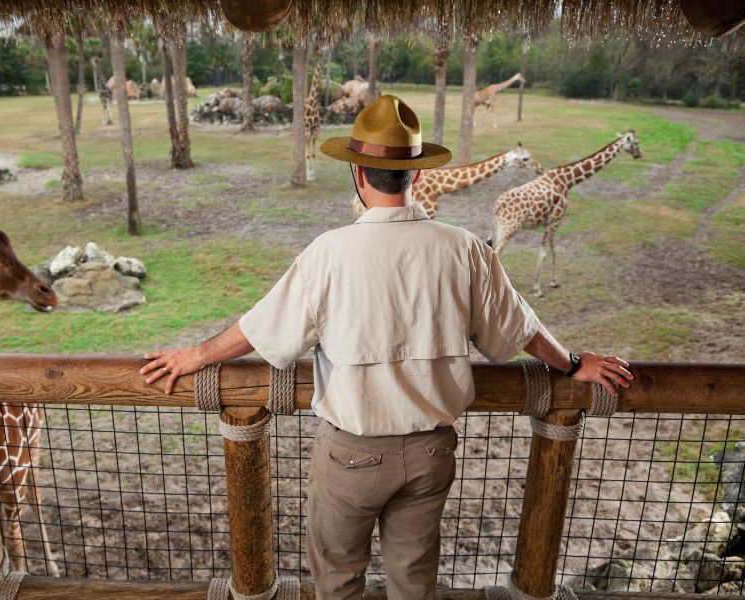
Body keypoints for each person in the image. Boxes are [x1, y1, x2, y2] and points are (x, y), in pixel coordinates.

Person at [140, 95, 633, 600]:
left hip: (351, 454)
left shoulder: (328, 253)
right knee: (415, 583)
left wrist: (194, 357)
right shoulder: (464, 248)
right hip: (432, 452)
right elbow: (520, 330)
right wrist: (573, 363)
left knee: (337, 579)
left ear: (358, 174)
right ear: (416, 175)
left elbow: (264, 330)